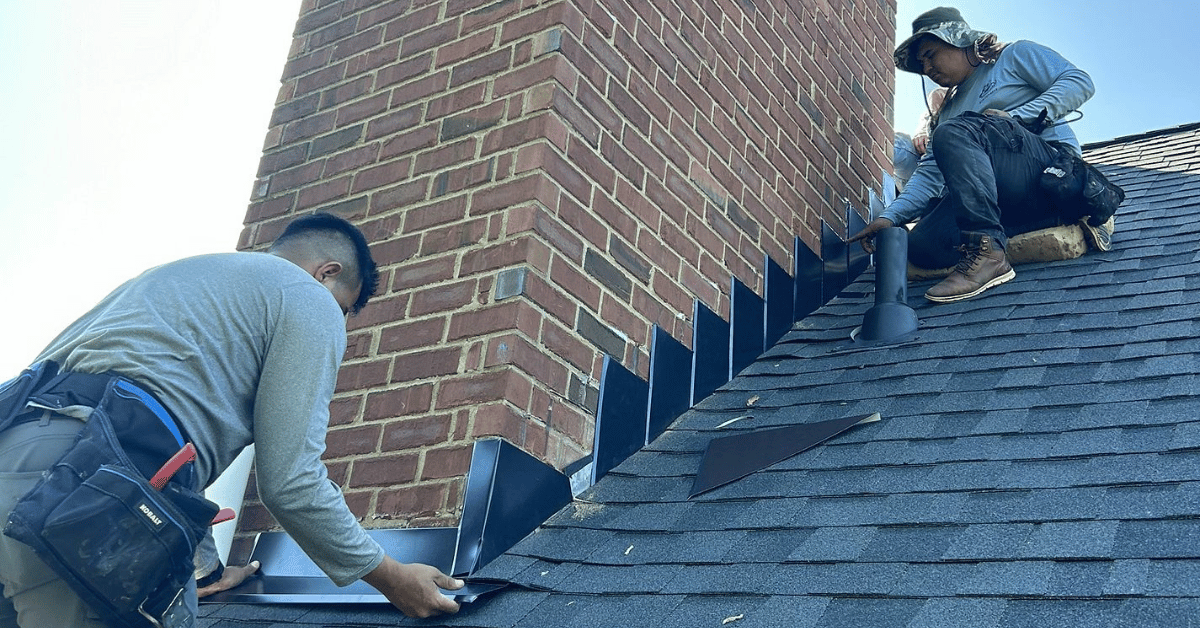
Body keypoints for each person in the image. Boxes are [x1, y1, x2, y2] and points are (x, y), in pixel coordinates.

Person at [0, 213, 462, 627]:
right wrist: (393, 577)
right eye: (344, 309)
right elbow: (292, 484)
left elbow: (151, 438)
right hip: (82, 502)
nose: (339, 322)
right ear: (328, 273)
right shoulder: (308, 298)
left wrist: (208, 571)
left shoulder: (170, 280)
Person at [850, 7, 1108, 303]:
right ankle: (1010, 232)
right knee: (920, 247)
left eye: (930, 54)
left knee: (958, 130)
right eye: (920, 64)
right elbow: (929, 175)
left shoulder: (1013, 57)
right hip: (999, 201)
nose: (927, 67)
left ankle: (989, 255)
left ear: (957, 39)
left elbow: (1078, 81)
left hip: (1049, 174)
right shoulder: (945, 115)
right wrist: (890, 217)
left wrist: (1016, 118)